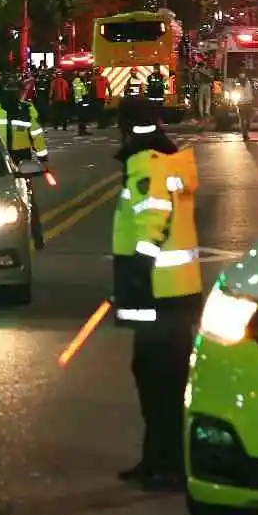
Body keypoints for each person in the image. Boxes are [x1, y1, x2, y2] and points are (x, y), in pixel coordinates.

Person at [110, 96, 202, 491]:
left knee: (155, 379)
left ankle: (166, 464)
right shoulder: (168, 159)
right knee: (164, 378)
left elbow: (152, 220)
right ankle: (161, 458)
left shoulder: (145, 163)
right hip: (177, 290)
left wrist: (136, 271)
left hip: (158, 290)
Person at [0, 84, 49, 249]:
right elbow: (37, 135)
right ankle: (36, 237)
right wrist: (43, 158)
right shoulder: (26, 109)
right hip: (19, 159)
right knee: (27, 199)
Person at [225, 68, 257, 140]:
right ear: (239, 74)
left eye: (243, 73)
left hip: (249, 103)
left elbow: (254, 90)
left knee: (249, 119)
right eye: (240, 73)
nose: (242, 74)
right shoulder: (236, 82)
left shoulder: (249, 81)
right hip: (241, 103)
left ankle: (246, 132)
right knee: (242, 120)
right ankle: (244, 134)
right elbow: (232, 90)